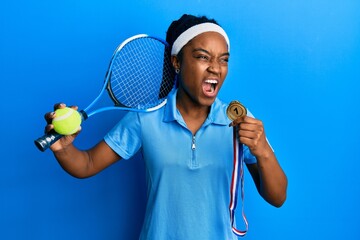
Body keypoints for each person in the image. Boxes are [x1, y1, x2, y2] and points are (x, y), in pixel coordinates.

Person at [44, 14, 287, 240]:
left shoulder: (238, 122)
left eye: (223, 59)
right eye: (203, 57)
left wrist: (263, 150)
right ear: (176, 62)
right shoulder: (145, 118)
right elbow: (86, 164)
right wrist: (63, 148)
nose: (215, 67)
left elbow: (277, 197)